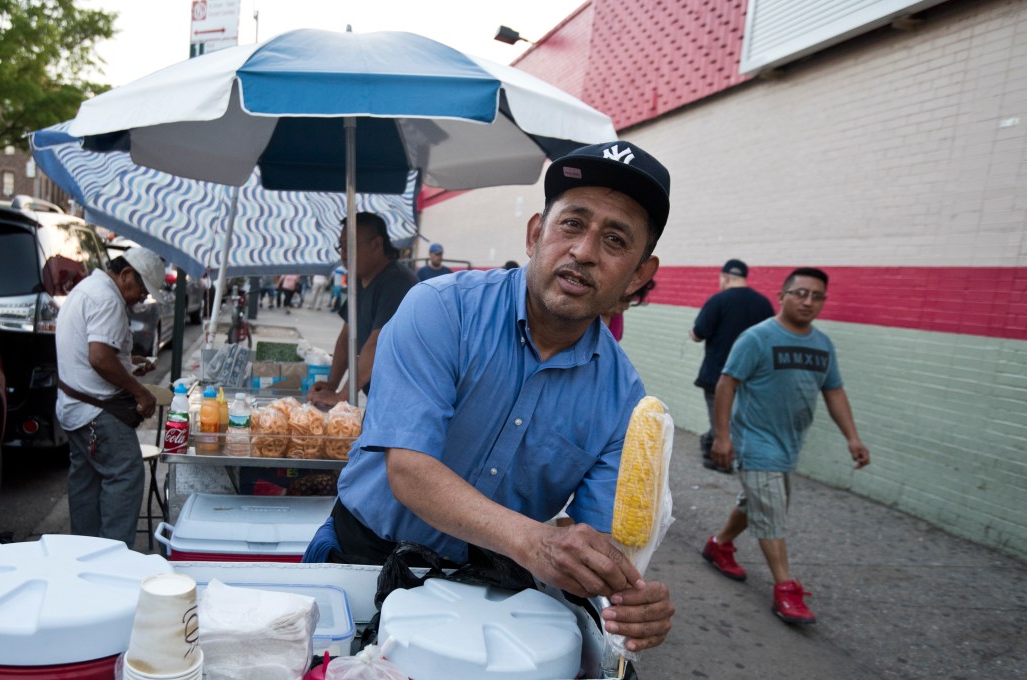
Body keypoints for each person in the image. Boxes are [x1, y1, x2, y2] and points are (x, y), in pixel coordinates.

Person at [303, 140, 677, 653]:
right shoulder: (441, 309)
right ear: (535, 233)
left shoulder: (624, 400)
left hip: (488, 596)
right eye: (571, 224)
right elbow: (409, 467)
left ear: (638, 275)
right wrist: (535, 540)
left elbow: (597, 537)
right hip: (360, 560)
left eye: (615, 241)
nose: (584, 252)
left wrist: (629, 595)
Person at [702, 268, 870, 625]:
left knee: (758, 504)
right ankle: (786, 589)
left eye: (817, 296)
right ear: (782, 295)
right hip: (755, 443)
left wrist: (852, 437)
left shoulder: (822, 344)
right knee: (772, 512)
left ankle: (719, 545)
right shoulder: (757, 338)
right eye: (800, 293)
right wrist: (723, 436)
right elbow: (727, 384)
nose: (808, 301)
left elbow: (834, 390)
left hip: (788, 446)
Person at [55, 245, 162, 548]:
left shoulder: (89, 288)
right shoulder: (107, 298)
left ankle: (83, 553)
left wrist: (129, 364)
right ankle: (114, 558)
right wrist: (141, 393)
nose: (142, 299)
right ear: (127, 274)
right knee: (126, 475)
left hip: (75, 407)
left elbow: (97, 354)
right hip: (96, 412)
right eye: (142, 291)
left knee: (86, 481)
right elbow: (99, 358)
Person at [307, 212, 417, 407]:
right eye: (341, 246)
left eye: (350, 246)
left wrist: (342, 395)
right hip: (379, 396)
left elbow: (376, 344)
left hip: (407, 400)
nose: (343, 255)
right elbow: (345, 339)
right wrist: (332, 384)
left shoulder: (396, 282)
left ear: (376, 244)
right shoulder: (358, 281)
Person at [690, 259, 773, 471]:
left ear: (725, 277)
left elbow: (698, 334)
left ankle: (717, 456)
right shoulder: (764, 304)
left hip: (717, 376)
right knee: (736, 421)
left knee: (720, 421)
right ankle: (717, 450)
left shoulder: (718, 301)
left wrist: (693, 334)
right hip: (750, 376)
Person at [603, 278, 656, 342]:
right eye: (622, 300)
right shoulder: (589, 315)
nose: (626, 307)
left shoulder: (616, 317)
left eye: (629, 301)